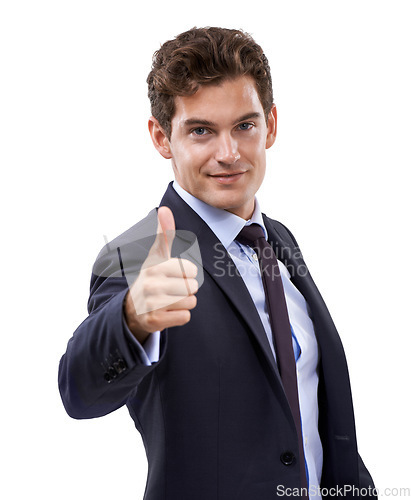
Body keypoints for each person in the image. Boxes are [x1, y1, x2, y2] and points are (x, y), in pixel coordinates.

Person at [58, 27, 376, 499]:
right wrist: (131, 319)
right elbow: (79, 391)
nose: (228, 154)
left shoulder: (279, 240)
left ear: (270, 124)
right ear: (162, 138)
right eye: (201, 131)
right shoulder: (140, 252)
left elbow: (311, 410)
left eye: (244, 126)